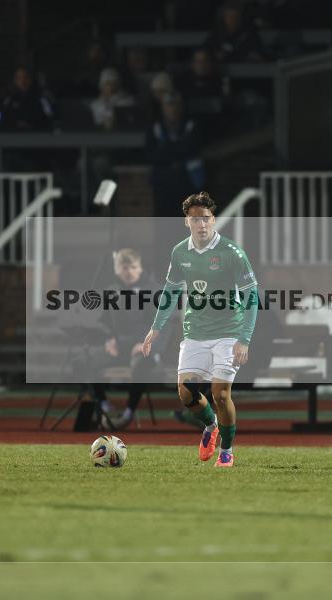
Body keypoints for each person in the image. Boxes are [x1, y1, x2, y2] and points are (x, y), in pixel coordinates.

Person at [142, 192, 259, 468]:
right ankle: (211, 427)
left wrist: (245, 338)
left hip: (229, 332)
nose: (201, 224)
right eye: (195, 220)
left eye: (206, 218)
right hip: (195, 333)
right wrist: (155, 328)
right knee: (186, 393)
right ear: (187, 222)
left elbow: (252, 295)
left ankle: (227, 450)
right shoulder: (180, 252)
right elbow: (170, 291)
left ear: (214, 220)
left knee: (220, 394)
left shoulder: (231, 253)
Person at [92, 249, 163, 430]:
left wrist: (144, 342)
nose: (129, 271)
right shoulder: (112, 291)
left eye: (133, 267)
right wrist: (108, 339)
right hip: (119, 347)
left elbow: (161, 322)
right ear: (117, 270)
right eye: (125, 268)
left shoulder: (154, 289)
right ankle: (105, 407)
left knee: (141, 365)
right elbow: (103, 321)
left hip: (145, 348)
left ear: (140, 268)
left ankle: (128, 413)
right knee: (83, 360)